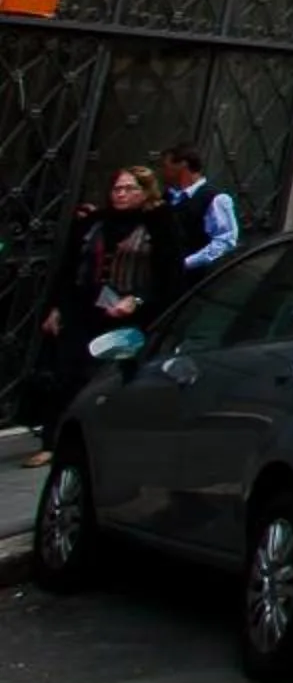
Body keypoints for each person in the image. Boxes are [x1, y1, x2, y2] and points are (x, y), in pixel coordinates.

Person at [25, 166, 163, 465]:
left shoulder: (158, 226)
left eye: (129, 189)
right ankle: (52, 441)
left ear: (145, 192)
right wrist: (57, 307)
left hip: (127, 316)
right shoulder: (96, 223)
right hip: (83, 308)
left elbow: (168, 278)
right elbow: (70, 267)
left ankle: (102, 443)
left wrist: (136, 300)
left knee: (108, 378)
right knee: (66, 374)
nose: (121, 194)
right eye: (117, 188)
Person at [155, 143, 238, 285]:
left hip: (191, 282)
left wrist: (187, 263)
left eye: (166, 166)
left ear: (182, 165)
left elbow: (225, 241)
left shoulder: (215, 199)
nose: (162, 171)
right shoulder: (167, 197)